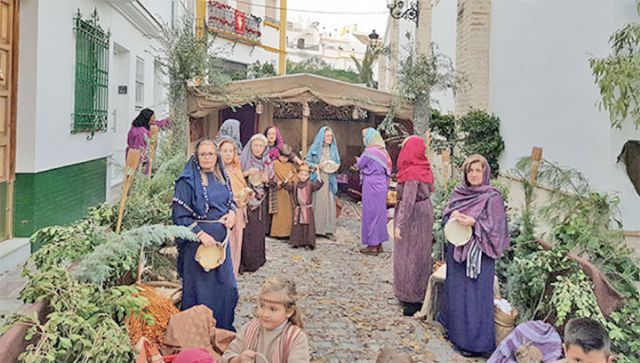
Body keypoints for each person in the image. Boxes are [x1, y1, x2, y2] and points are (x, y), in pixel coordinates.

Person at [439, 154, 510, 357]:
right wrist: (451, 217)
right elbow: (446, 216)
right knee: (458, 296)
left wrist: (474, 223)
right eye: (471, 170)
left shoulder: (492, 197)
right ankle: (457, 335)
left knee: (475, 299)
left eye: (479, 170)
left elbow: (497, 229)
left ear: (485, 172)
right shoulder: (459, 192)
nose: (474, 174)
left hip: (480, 257)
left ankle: (476, 344)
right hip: (458, 254)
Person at [171, 138, 238, 331]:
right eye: (203, 154)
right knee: (200, 293)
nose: (207, 158)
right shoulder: (187, 182)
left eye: (211, 154)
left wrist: (232, 214)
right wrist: (200, 235)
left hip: (221, 245)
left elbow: (230, 201)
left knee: (227, 288)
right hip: (197, 247)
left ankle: (221, 330)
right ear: (197, 157)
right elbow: (179, 216)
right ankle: (196, 333)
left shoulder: (221, 177)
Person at [222, 276, 310, 363]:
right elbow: (227, 357)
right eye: (262, 306)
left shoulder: (295, 338)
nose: (265, 314)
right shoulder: (249, 329)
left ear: (288, 312)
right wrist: (239, 359)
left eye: (273, 309)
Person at [392, 135, 435, 316]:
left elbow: (408, 202)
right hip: (425, 211)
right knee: (420, 254)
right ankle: (419, 294)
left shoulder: (411, 173)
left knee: (410, 256)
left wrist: (399, 224)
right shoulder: (422, 168)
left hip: (413, 216)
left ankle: (411, 299)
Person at [240, 134, 273, 273]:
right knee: (247, 232)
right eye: (256, 145)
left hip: (261, 201)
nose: (258, 149)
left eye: (261, 146)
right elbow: (235, 177)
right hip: (247, 201)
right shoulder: (244, 159)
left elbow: (274, 182)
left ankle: (257, 260)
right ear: (251, 146)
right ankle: (246, 262)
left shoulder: (267, 161)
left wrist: (267, 180)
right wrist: (247, 173)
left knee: (258, 232)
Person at [218, 134, 250, 277]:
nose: (228, 154)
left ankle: (233, 271)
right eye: (225, 151)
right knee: (226, 240)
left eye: (231, 151)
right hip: (225, 211)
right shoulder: (217, 172)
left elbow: (242, 187)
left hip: (240, 209)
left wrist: (246, 194)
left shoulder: (236, 170)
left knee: (237, 241)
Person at [357, 128, 392, 256]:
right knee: (380, 214)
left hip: (371, 184)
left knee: (370, 214)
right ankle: (379, 243)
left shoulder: (369, 151)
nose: (363, 139)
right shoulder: (384, 152)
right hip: (382, 183)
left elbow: (360, 165)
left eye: (364, 136)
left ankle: (372, 246)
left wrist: (357, 160)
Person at [306, 126, 341, 240]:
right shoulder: (315, 148)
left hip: (330, 179)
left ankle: (329, 230)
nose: (330, 138)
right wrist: (317, 166)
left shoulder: (334, 149)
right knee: (318, 203)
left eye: (331, 136)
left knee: (330, 203)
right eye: (327, 136)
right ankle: (316, 229)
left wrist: (335, 166)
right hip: (319, 178)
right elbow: (307, 162)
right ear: (322, 137)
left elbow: (338, 162)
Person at [283, 164, 324, 250]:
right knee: (298, 226)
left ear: (308, 176)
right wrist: (288, 178)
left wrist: (318, 174)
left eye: (305, 175)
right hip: (298, 209)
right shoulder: (295, 185)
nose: (303, 177)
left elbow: (319, 184)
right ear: (298, 175)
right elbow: (286, 187)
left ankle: (308, 243)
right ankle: (296, 242)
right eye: (301, 174)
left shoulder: (310, 185)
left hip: (307, 209)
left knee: (308, 226)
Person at [126, 108, 171, 175]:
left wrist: (167, 121)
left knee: (130, 176)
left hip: (130, 157)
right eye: (153, 117)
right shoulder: (141, 132)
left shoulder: (136, 126)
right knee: (137, 178)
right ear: (147, 118)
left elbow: (157, 124)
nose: (154, 119)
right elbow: (141, 149)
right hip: (138, 160)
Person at [270, 145, 297, 239]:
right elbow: (271, 175)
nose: (284, 159)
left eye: (286, 157)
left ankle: (288, 232)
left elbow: (295, 176)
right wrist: (277, 182)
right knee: (279, 212)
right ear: (278, 155)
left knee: (288, 213)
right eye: (282, 156)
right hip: (279, 191)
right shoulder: (274, 164)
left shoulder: (291, 166)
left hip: (288, 191)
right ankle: (277, 232)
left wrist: (291, 180)